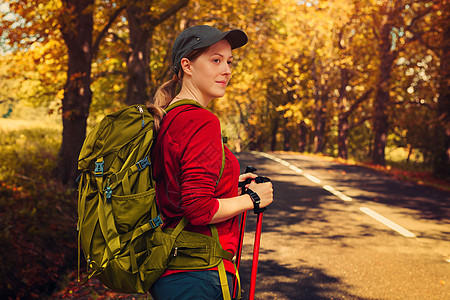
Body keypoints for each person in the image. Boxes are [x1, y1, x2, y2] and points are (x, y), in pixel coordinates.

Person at [149, 25, 274, 300]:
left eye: (229, 62)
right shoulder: (201, 120)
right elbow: (198, 208)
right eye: (215, 60)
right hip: (197, 276)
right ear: (187, 66)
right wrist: (252, 199)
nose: (227, 70)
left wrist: (231, 184)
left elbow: (175, 185)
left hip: (175, 274)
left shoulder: (171, 116)